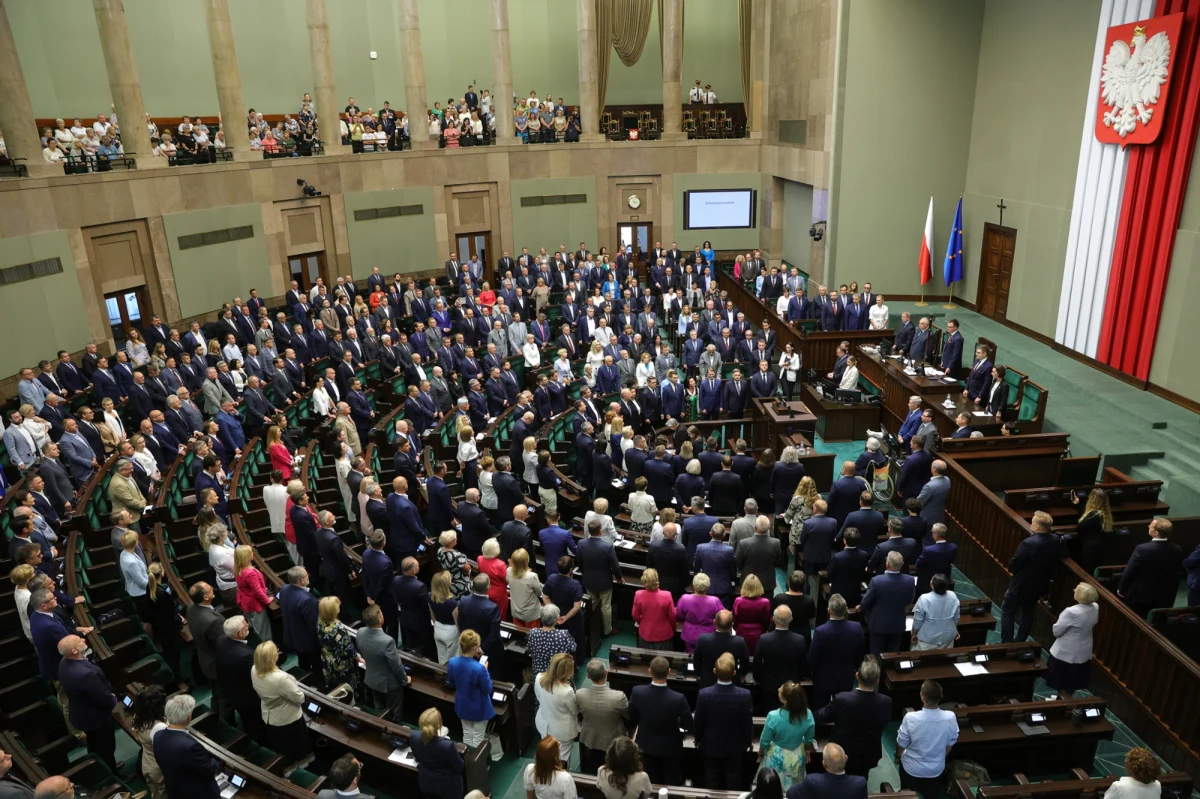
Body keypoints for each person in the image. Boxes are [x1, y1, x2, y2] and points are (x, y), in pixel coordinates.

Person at [815, 659, 892, 779]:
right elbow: (884, 723)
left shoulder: (842, 699)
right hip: (868, 752)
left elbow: (822, 716)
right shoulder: (886, 702)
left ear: (857, 675)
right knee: (862, 778)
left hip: (842, 751)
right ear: (877, 680)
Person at [695, 652, 755, 790]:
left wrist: (698, 740)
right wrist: (748, 741)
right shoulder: (744, 695)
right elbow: (747, 722)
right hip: (735, 746)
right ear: (734, 672)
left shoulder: (704, 694)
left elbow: (699, 721)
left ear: (714, 671)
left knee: (711, 779)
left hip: (711, 744)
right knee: (733, 779)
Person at [628, 655, 692, 784]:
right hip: (671, 749)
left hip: (645, 746)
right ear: (669, 672)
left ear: (650, 671)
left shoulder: (637, 692)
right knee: (671, 782)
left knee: (648, 782)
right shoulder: (678, 698)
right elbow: (689, 724)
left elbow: (632, 717)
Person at [57, 634, 118, 770]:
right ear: (74, 651)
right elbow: (103, 698)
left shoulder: (64, 662)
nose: (83, 639)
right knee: (106, 748)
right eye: (79, 641)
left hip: (82, 713)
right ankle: (112, 775)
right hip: (96, 717)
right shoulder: (86, 675)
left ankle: (100, 767)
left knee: (94, 744)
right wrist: (113, 698)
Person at [1001, 511, 1062, 642]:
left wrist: (1012, 569)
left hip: (1020, 584)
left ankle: (1007, 643)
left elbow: (1016, 562)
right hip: (1039, 585)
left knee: (1007, 611)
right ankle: (1020, 641)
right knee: (1028, 613)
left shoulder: (1028, 543)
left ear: (1038, 527)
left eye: (1033, 522)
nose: (1031, 523)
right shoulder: (1055, 540)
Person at [251, 640, 313, 766]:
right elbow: (298, 698)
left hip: (270, 716)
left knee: (282, 747)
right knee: (297, 746)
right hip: (288, 719)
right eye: (276, 651)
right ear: (273, 657)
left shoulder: (254, 669)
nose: (278, 652)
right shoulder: (280, 678)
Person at [895, 679, 958, 799]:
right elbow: (951, 742)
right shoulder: (951, 717)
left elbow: (901, 743)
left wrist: (898, 757)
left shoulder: (910, 718)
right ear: (941, 696)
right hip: (936, 769)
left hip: (911, 769)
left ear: (922, 697)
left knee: (906, 794)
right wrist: (941, 757)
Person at [154, 694, 223, 799]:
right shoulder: (190, 746)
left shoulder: (157, 736)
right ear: (189, 717)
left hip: (175, 792)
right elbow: (210, 769)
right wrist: (217, 760)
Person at [1118, 518, 1184, 620]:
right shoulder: (1177, 549)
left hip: (1140, 597)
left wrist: (1121, 588)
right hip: (1164, 596)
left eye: (1151, 526)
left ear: (1156, 533)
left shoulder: (1142, 549)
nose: (1148, 526)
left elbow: (1130, 571)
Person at [808, 594, 866, 710]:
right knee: (842, 710)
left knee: (821, 711)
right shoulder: (857, 628)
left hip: (823, 678)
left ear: (828, 610)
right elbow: (860, 654)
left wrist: (811, 673)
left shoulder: (821, 631)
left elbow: (812, 658)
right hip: (846, 677)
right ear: (845, 610)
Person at [576, 659, 631, 775]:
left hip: (590, 739)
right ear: (606, 673)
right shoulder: (618, 696)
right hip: (613, 740)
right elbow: (627, 715)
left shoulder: (579, 694)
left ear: (588, 676)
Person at [1046, 582, 1100, 697]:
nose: (1074, 590)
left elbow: (1057, 631)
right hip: (1083, 652)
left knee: (1063, 684)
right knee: (1071, 684)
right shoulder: (1095, 607)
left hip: (1066, 654)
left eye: (1076, 590)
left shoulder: (1071, 611)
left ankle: (1064, 706)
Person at [760, 681, 816, 790]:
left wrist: (761, 752)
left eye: (780, 690)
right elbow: (809, 738)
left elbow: (764, 740)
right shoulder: (808, 714)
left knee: (772, 786)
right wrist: (807, 748)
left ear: (785, 700)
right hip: (797, 754)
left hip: (776, 756)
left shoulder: (773, 716)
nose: (778, 689)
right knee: (795, 787)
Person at [216, 615, 264, 738]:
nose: (247, 625)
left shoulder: (222, 640)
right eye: (245, 625)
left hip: (231, 689)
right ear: (239, 633)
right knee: (255, 724)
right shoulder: (245, 655)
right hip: (248, 697)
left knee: (247, 719)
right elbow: (259, 675)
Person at [446, 629, 496, 749]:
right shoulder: (480, 668)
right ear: (474, 648)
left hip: (462, 705)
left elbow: (451, 683)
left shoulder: (452, 662)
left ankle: (467, 759)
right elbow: (488, 688)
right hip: (479, 708)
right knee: (478, 738)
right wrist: (485, 669)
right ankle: (475, 764)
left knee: (467, 735)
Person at [860, 551, 916, 655]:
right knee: (893, 655)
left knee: (876, 655)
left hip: (878, 625)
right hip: (897, 624)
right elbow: (910, 600)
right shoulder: (910, 580)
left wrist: (860, 608)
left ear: (887, 564)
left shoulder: (877, 581)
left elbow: (866, 601)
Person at [755, 605, 809, 712]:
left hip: (769, 686)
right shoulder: (799, 640)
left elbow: (757, 662)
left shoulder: (764, 639)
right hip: (791, 687)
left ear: (774, 619)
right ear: (791, 619)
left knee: (770, 715)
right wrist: (806, 676)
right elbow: (803, 663)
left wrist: (758, 679)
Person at [358, 604, 409, 716]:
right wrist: (405, 679)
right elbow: (396, 666)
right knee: (394, 713)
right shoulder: (387, 641)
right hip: (389, 685)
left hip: (372, 680)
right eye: (381, 613)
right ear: (380, 619)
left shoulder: (360, 632)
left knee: (379, 710)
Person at [578, 519, 622, 636]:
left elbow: (579, 562)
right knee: (606, 606)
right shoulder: (607, 546)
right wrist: (619, 577)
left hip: (588, 580)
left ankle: (594, 628)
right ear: (601, 531)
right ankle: (607, 630)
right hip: (604, 582)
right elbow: (615, 566)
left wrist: (585, 573)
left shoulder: (581, 543)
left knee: (592, 604)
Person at [535, 652, 580, 762]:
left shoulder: (539, 678)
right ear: (565, 671)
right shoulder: (566, 691)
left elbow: (539, 697)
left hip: (543, 725)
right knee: (561, 761)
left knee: (547, 755)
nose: (573, 670)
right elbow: (575, 710)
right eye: (571, 668)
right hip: (562, 732)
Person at [410, 708, 465, 799]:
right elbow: (459, 767)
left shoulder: (414, 736)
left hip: (426, 782)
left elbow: (417, 758)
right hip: (448, 787)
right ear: (439, 725)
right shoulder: (447, 745)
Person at [129, 684, 169, 799]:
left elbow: (138, 737)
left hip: (146, 763)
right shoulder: (160, 727)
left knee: (155, 793)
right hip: (159, 768)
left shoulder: (138, 717)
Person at [786, 743, 866, 799]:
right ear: (846, 758)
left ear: (824, 764)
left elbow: (790, 794)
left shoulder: (812, 781)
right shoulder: (860, 783)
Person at [695, 610, 750, 687]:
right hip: (732, 680)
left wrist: (697, 673)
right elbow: (745, 662)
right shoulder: (740, 642)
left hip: (707, 681)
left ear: (714, 622)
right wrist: (742, 674)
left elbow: (697, 659)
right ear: (732, 624)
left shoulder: (703, 639)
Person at [677, 572, 726, 653]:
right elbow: (722, 617)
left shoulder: (685, 599)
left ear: (693, 586)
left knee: (691, 656)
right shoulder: (714, 601)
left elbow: (679, 615)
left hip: (690, 634)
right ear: (708, 587)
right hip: (709, 636)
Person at [738, 515, 785, 597]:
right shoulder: (776, 543)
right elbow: (777, 563)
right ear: (769, 527)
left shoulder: (744, 543)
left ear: (755, 527)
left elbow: (738, 564)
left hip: (748, 583)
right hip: (767, 583)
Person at [234, 545, 272, 643]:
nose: (253, 554)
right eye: (250, 553)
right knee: (263, 631)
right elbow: (257, 592)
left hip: (245, 602)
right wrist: (267, 600)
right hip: (254, 604)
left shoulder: (238, 569)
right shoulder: (250, 573)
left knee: (256, 627)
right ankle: (268, 652)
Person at [911, 574, 960, 650]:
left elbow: (918, 621)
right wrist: (954, 630)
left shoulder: (924, 598)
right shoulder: (953, 595)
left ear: (932, 585)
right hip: (948, 637)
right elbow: (956, 618)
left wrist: (914, 634)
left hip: (927, 639)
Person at [632, 568, 677, 649]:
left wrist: (641, 621)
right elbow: (672, 616)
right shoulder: (667, 595)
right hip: (664, 635)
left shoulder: (638, 594)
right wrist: (673, 628)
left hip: (646, 633)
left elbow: (634, 614)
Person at [1072, 488, 1113, 577]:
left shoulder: (1094, 515)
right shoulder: (1104, 514)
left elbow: (1080, 526)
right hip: (1100, 548)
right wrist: (1078, 504)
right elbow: (1088, 518)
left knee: (1086, 573)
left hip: (1090, 549)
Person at [733, 573, 772, 654]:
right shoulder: (765, 602)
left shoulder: (738, 601)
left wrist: (737, 628)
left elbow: (735, 618)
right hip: (759, 633)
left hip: (741, 632)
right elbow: (766, 621)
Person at [429, 571, 461, 664]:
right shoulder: (452, 602)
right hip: (451, 632)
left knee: (442, 658)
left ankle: (441, 675)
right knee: (453, 659)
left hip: (438, 629)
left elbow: (432, 615)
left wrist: (437, 626)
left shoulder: (430, 596)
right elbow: (457, 622)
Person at [915, 523, 957, 595]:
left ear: (935, 535)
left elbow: (918, 565)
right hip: (944, 580)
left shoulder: (928, 550)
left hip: (927, 583)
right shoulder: (953, 547)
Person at [508, 548, 544, 629]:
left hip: (516, 610)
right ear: (526, 562)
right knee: (532, 636)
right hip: (530, 613)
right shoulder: (532, 576)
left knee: (518, 636)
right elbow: (539, 592)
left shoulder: (508, 571)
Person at [477, 537, 509, 620]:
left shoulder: (480, 559)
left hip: (485, 590)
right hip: (499, 595)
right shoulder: (500, 565)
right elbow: (507, 579)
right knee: (499, 615)